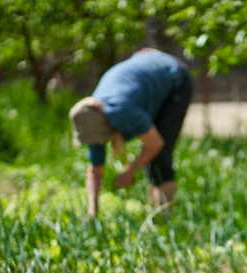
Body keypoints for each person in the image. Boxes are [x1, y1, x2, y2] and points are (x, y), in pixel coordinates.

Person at [69, 49, 192, 217]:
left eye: (97, 140)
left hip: (174, 77)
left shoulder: (121, 111)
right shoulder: (91, 118)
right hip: (148, 74)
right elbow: (95, 169)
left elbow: (155, 144)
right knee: (152, 156)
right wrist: (93, 210)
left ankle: (164, 218)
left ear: (105, 129)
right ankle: (156, 214)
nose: (97, 144)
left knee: (160, 156)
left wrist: (130, 172)